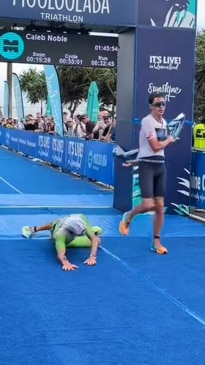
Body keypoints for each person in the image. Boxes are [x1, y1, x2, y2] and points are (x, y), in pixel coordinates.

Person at [119, 93, 176, 254]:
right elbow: (156, 146)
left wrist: (168, 142)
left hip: (160, 166)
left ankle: (156, 241)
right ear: (151, 106)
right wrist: (168, 141)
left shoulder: (163, 122)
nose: (161, 107)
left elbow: (159, 148)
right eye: (158, 104)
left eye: (163, 104)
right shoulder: (147, 121)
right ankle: (129, 216)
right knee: (148, 205)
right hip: (147, 166)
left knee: (159, 207)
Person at [22, 214, 102, 271]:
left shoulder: (81, 220)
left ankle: (91, 231)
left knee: (96, 240)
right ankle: (32, 229)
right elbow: (61, 254)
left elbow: (94, 239)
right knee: (54, 227)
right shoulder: (60, 235)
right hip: (61, 230)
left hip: (78, 218)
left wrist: (92, 256)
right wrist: (65, 262)